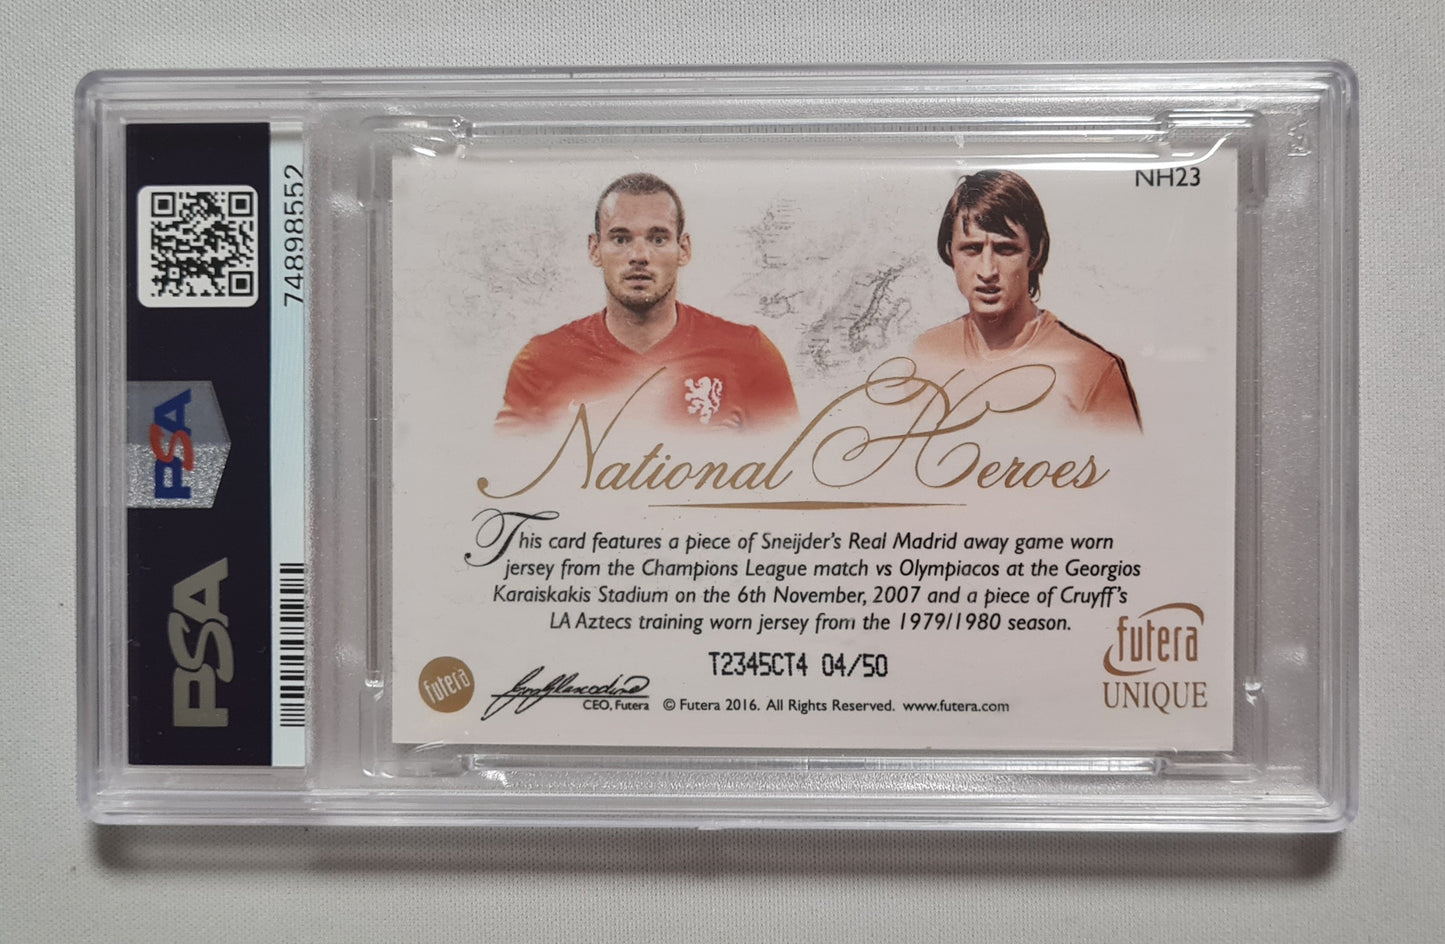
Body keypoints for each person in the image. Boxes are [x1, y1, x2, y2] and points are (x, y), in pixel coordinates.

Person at [496, 173, 798, 433]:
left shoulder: (749, 354)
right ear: (594, 249)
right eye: (621, 239)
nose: (639, 256)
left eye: (658, 239)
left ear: (683, 249)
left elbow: (793, 473)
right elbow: (509, 473)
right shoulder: (541, 363)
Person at [911, 170, 1141, 431]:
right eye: (972, 249)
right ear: (949, 251)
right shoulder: (926, 353)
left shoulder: (1090, 369)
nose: (987, 271)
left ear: (1036, 252)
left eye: (1006, 249)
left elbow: (1124, 458)